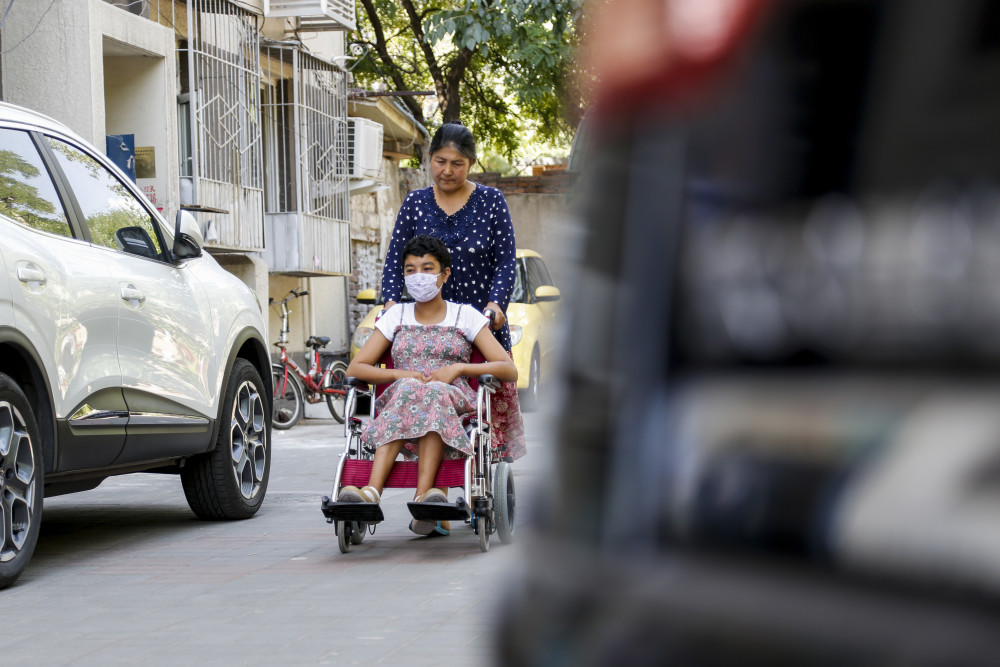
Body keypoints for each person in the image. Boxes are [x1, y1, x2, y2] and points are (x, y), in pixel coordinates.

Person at [340, 235, 518, 535]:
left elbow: (508, 369)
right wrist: (400, 375)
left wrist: (459, 367)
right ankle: (371, 493)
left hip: (451, 400)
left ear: (444, 274)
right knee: (413, 390)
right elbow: (355, 369)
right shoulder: (395, 316)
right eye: (410, 270)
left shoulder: (466, 316)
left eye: (426, 268)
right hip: (402, 399)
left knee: (433, 392)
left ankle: (425, 499)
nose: (418, 276)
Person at [380, 121, 526, 461]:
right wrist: (390, 303)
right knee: (423, 392)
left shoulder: (491, 201)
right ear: (430, 159)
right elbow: (393, 260)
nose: (447, 170)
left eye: (457, 163)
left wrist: (496, 304)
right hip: (427, 326)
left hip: (479, 323)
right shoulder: (415, 202)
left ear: (471, 164)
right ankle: (428, 475)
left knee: (482, 405)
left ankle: (482, 477)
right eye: (440, 161)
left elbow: (505, 261)